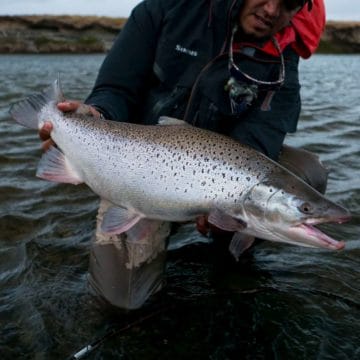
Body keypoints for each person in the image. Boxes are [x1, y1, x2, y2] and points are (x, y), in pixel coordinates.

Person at [40, 0, 327, 309]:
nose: (272, 10)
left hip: (222, 173)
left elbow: (263, 133)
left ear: (302, 8)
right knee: (122, 301)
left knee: (308, 170)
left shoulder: (285, 51)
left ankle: (234, 240)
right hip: (139, 166)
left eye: (289, 2)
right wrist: (96, 114)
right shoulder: (164, 10)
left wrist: (226, 207)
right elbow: (116, 89)